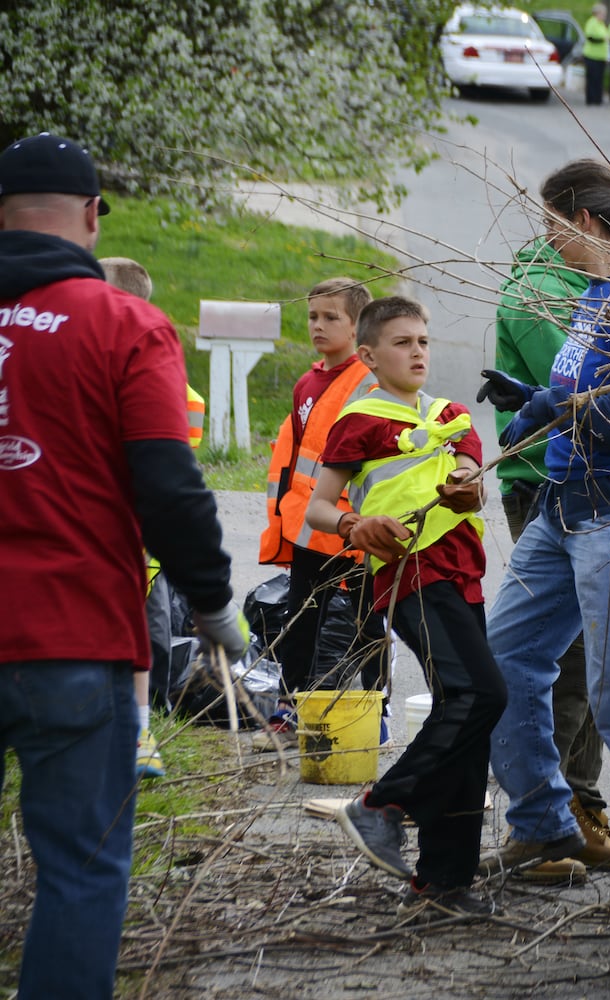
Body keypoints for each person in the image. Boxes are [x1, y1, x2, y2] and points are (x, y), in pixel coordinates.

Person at [0, 132, 247, 1000]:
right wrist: (215, 606)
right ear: (93, 216)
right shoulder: (122, 323)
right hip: (72, 638)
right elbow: (169, 487)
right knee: (80, 868)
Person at [482, 159, 610, 909]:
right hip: (562, 506)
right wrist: (531, 402)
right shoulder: (595, 298)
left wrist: (569, 409)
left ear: (587, 223)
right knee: (508, 658)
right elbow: (573, 390)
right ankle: (541, 823)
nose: (548, 239)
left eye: (553, 225)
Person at [307, 295, 507, 919]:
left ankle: (445, 879)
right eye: (402, 343)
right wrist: (352, 524)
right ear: (368, 355)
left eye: (423, 341)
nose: (418, 352)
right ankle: (380, 807)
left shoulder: (450, 415)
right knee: (482, 696)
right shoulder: (360, 419)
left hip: (462, 574)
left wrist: (469, 484)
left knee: (467, 719)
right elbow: (318, 507)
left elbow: (473, 484)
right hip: (410, 575)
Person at [260, 277, 388, 742]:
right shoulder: (306, 384)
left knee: (367, 622)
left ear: (357, 326)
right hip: (309, 530)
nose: (318, 325)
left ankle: (378, 707)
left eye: (331, 317)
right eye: (313, 316)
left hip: (354, 533)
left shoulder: (371, 383)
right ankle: (289, 705)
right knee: (299, 622)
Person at [99, 255, 207, 779]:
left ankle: (139, 726)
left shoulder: (140, 369)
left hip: (127, 535)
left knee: (141, 633)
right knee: (138, 632)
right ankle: (136, 727)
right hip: (133, 536)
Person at [582, 3, 610, 107]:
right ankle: (590, 99)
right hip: (591, 55)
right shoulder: (592, 22)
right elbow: (590, 38)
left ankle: (598, 99)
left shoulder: (602, 24)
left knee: (599, 78)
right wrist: (602, 40)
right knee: (592, 78)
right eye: (602, 14)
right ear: (597, 13)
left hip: (601, 57)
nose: (604, 16)